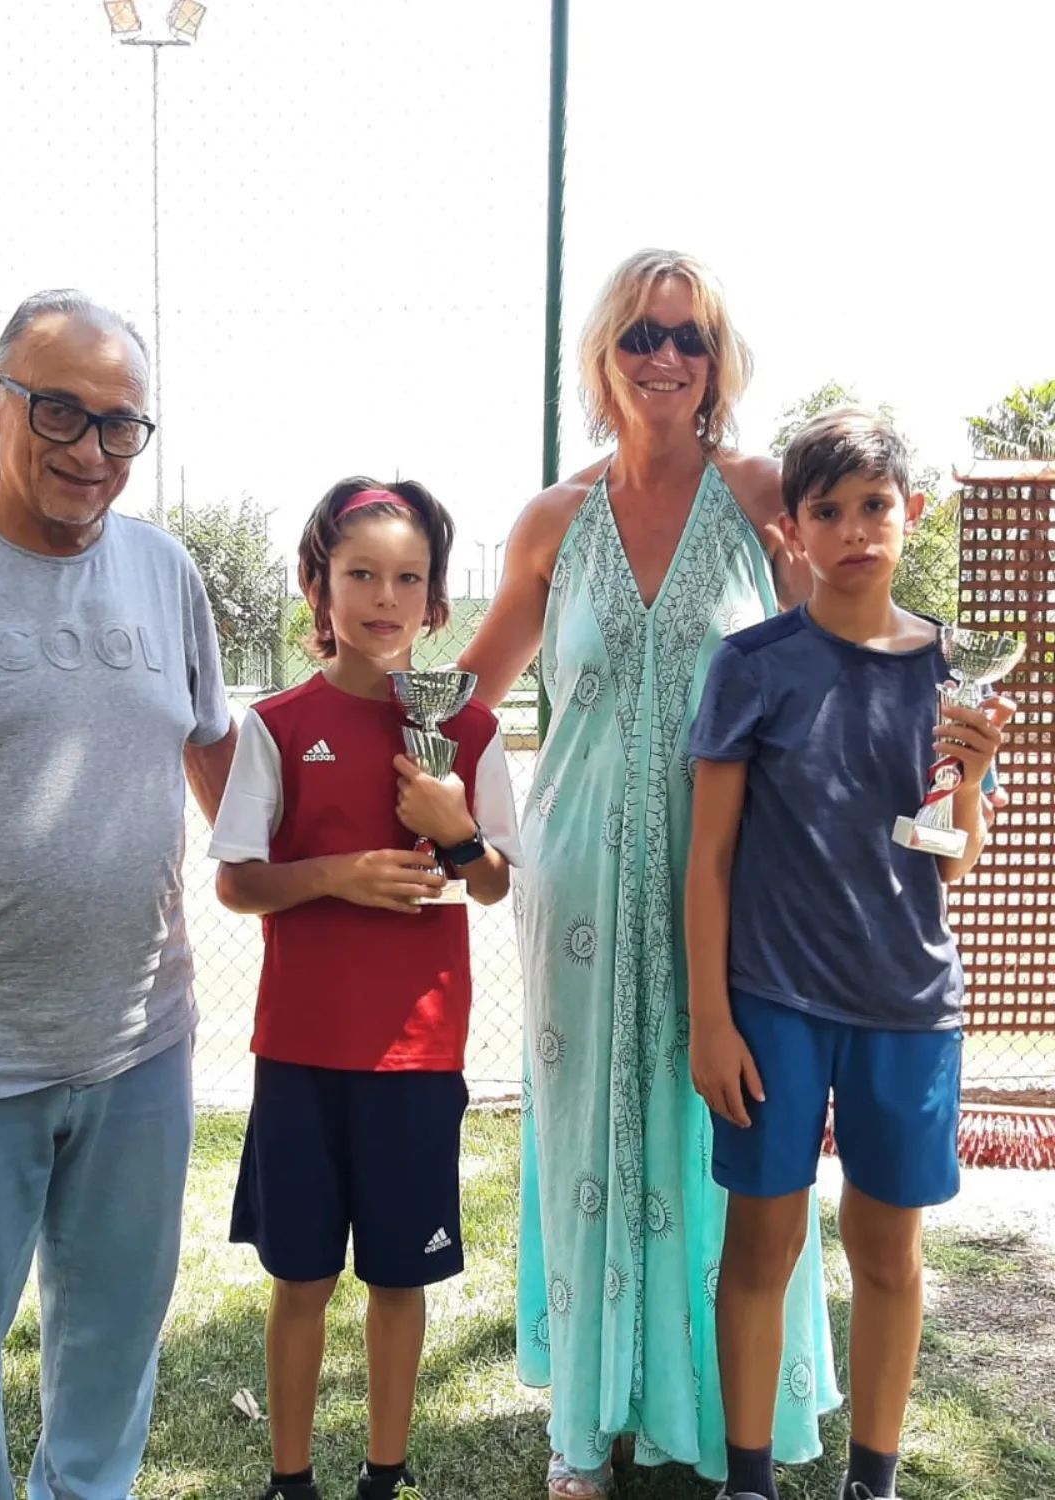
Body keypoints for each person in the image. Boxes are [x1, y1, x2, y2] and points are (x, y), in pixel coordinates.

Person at [460, 248, 838, 1495]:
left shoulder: (765, 496)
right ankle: (592, 1419)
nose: (664, 357)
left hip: (738, 881)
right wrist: (357, 716)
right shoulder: (552, 522)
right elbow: (466, 697)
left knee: (726, 1126)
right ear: (603, 356)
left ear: (718, 361)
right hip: (575, 881)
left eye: (688, 337)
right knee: (587, 1134)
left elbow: (838, 651)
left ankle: (725, 1417)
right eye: (640, 335)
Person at [0, 290, 236, 1499]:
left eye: (121, 425)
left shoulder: (166, 572)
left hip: (140, 1044)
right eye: (60, 412)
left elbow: (226, 773)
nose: (91, 450)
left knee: (116, 1346)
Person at [686, 408, 1015, 1500]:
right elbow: (710, 860)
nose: (855, 530)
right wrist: (711, 1019)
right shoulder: (752, 666)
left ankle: (873, 1480)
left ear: (912, 513)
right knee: (761, 1246)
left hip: (907, 1006)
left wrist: (971, 777)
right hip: (772, 1004)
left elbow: (954, 862)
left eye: (875, 505)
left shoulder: (957, 673)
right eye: (826, 511)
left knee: (887, 1252)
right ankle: (747, 1481)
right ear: (792, 529)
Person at [210, 478, 520, 1500]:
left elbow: (493, 882)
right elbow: (237, 881)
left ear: (435, 599)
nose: (385, 598)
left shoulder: (470, 732)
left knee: (399, 1276)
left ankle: (386, 1473)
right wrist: (337, 875)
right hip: (300, 1051)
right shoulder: (278, 724)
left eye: (408, 578)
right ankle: (290, 1478)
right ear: (319, 585)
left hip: (416, 1054)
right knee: (300, 1277)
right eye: (361, 575)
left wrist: (455, 830)